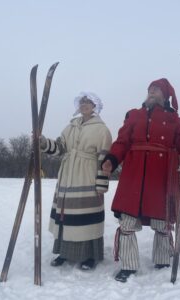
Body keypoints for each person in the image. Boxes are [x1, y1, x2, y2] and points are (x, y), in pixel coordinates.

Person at [101, 78, 180, 282]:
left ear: (165, 96)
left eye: (156, 90)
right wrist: (111, 160)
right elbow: (122, 141)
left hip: (162, 176)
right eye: (149, 90)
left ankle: (163, 260)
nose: (151, 92)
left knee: (162, 223)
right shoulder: (134, 115)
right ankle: (128, 265)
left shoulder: (175, 119)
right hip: (134, 174)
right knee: (127, 223)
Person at [40, 92, 112, 270]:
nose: (84, 104)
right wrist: (43, 142)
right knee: (66, 214)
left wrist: (102, 183)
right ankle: (64, 252)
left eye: (88, 102)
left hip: (87, 174)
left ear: (95, 106)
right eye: (82, 102)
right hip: (67, 175)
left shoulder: (102, 129)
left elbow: (105, 158)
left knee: (86, 216)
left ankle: (90, 256)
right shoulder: (70, 126)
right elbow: (60, 147)